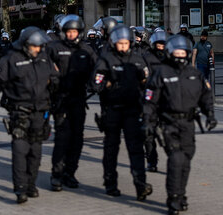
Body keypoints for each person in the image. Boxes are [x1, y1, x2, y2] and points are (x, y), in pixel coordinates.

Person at [0, 26, 58, 204]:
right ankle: (20, 188)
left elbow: (56, 81)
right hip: (19, 112)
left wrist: (54, 83)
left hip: (41, 113)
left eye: (40, 46)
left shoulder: (45, 59)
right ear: (26, 44)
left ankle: (31, 185)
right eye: (35, 46)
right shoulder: (11, 59)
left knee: (36, 152)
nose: (38, 49)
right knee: (20, 151)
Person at [142, 35, 217, 215]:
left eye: (183, 52)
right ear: (169, 52)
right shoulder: (161, 73)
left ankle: (181, 194)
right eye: (176, 51)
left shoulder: (194, 74)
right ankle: (173, 198)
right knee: (176, 160)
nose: (180, 55)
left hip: (188, 123)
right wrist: (148, 122)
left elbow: (205, 96)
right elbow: (150, 101)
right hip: (169, 123)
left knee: (186, 161)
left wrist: (211, 115)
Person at [90, 25, 153, 200]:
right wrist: (107, 84)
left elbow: (148, 83)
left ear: (130, 43)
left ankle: (141, 186)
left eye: (126, 43)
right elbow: (95, 84)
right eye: (120, 43)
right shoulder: (106, 60)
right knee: (111, 149)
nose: (123, 46)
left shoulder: (138, 59)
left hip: (133, 111)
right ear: (113, 43)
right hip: (112, 110)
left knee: (136, 149)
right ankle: (110, 183)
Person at [47, 15, 98, 191]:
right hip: (60, 99)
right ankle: (57, 175)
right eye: (68, 31)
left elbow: (97, 70)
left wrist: (96, 84)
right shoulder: (54, 48)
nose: (71, 34)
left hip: (79, 99)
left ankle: (70, 173)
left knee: (77, 138)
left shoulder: (87, 50)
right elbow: (43, 68)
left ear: (80, 32)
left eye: (74, 31)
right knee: (62, 137)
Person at [141, 30, 168, 172]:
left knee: (171, 134)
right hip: (150, 100)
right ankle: (152, 161)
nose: (161, 47)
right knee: (148, 134)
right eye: (158, 44)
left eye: (163, 44)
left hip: (167, 101)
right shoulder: (146, 57)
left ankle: (174, 162)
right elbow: (141, 77)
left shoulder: (171, 58)